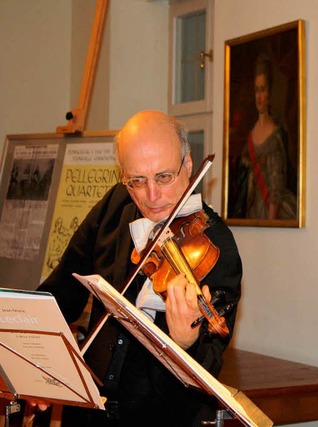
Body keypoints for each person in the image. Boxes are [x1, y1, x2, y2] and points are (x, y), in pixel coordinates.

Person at [37, 110, 242, 426]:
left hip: (160, 417)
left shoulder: (216, 247)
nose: (152, 195)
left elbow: (210, 364)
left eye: (164, 176)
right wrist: (42, 359)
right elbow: (60, 292)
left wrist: (186, 341)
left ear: (188, 165)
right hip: (89, 411)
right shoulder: (116, 206)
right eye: (137, 180)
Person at [237, 56, 296, 220]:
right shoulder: (251, 133)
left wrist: (271, 218)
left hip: (269, 209)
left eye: (263, 90)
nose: (259, 96)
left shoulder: (276, 136)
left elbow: (277, 184)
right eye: (256, 90)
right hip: (253, 206)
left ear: (270, 93)